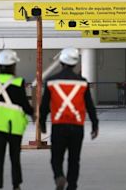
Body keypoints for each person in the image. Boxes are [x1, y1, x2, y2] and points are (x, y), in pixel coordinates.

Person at [40, 47, 99, 190]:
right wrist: (94, 125)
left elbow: (45, 106)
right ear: (75, 63)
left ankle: (59, 176)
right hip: (77, 127)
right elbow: (89, 106)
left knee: (56, 157)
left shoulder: (50, 81)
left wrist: (42, 123)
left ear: (61, 61)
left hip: (59, 125)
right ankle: (72, 186)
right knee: (74, 159)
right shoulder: (83, 82)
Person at [0, 49, 34, 190]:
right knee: (15, 157)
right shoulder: (18, 82)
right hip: (14, 127)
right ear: (13, 66)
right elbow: (23, 103)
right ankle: (16, 185)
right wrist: (33, 114)